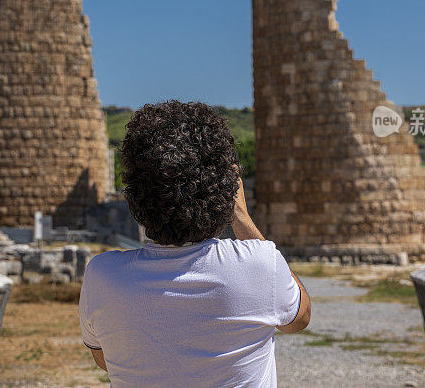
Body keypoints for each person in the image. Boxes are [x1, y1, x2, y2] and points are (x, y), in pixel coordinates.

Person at [79, 101, 311, 387]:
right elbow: (299, 318)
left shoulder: (103, 275)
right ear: (224, 189)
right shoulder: (259, 263)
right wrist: (240, 216)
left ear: (136, 193)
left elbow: (105, 358)